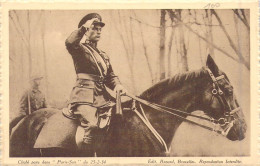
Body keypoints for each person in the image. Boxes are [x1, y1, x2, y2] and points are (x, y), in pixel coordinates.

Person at [63, 13, 126, 152]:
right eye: (94, 28)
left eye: (100, 30)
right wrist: (83, 28)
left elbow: (110, 75)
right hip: (84, 97)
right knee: (92, 125)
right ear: (86, 31)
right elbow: (70, 42)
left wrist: (117, 85)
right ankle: (85, 157)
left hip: (102, 97)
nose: (98, 32)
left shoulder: (103, 55)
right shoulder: (79, 49)